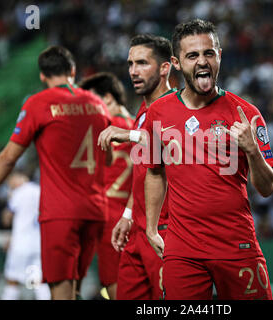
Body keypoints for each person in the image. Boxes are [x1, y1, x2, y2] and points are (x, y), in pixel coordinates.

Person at [0, 46, 112, 300]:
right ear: (73, 71)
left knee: (60, 292)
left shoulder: (39, 103)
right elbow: (107, 158)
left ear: (43, 76)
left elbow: (8, 157)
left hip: (60, 213)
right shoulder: (97, 104)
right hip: (96, 211)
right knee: (76, 290)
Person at [143, 19, 273, 300]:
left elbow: (267, 188)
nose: (202, 61)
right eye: (192, 55)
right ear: (177, 63)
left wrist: (252, 150)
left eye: (209, 53)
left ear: (219, 56)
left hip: (236, 245)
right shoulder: (158, 113)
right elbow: (154, 172)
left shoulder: (247, 113)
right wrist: (152, 227)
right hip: (183, 250)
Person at [98, 34, 175, 300]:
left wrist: (128, 135)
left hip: (166, 231)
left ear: (165, 67)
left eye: (142, 63)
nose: (133, 71)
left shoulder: (180, 108)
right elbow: (142, 170)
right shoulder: (142, 111)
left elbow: (169, 154)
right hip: (137, 231)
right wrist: (128, 214)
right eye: (130, 64)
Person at [79, 72, 134, 300]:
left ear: (108, 99)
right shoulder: (139, 127)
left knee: (114, 283)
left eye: (92, 103)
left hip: (109, 217)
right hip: (137, 216)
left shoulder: (103, 130)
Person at [0, 171, 50, 300]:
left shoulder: (18, 193)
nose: (9, 185)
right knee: (38, 281)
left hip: (20, 244)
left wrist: (9, 198)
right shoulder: (40, 190)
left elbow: (7, 218)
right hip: (38, 243)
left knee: (12, 281)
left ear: (17, 178)